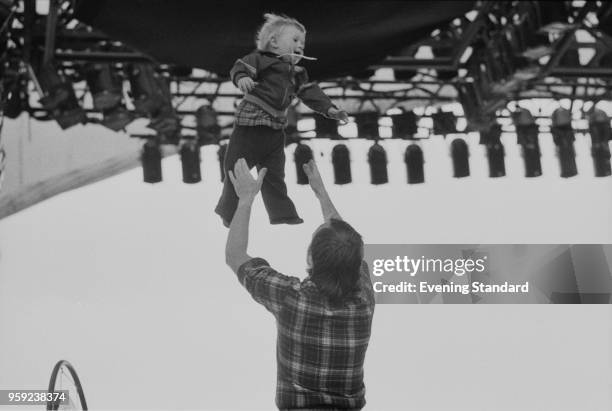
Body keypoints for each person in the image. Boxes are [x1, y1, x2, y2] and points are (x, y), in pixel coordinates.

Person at [225, 157, 375, 411]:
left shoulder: (291, 299)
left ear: (309, 258)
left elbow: (235, 256)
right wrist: (321, 193)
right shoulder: (363, 303)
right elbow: (347, 243)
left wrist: (246, 199)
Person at [215, 13, 349, 227]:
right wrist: (243, 78)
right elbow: (240, 67)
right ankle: (228, 210)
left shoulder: (298, 73)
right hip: (251, 125)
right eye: (295, 40)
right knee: (235, 169)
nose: (301, 47)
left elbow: (309, 93)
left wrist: (330, 109)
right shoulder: (261, 59)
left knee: (274, 174)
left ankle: (282, 213)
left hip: (275, 131)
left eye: (303, 44)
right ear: (274, 43)